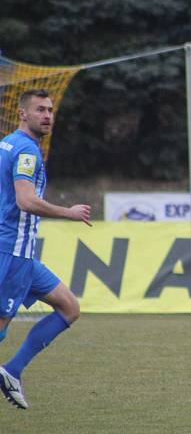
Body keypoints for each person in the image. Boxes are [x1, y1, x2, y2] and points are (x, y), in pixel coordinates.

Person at [0, 89, 92, 409]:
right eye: (40, 109)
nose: (48, 115)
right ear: (22, 114)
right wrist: (69, 212)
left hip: (23, 254)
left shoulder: (7, 143)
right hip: (12, 253)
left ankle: (12, 371)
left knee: (69, 308)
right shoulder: (26, 150)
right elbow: (25, 200)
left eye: (50, 110)